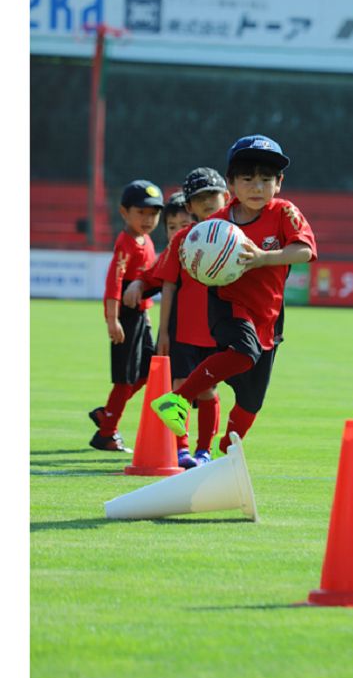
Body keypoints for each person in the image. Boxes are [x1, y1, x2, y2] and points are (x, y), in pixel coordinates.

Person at [150, 135, 317, 454]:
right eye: (247, 179)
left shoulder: (284, 213)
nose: (257, 187)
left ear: (279, 183)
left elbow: (304, 251)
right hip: (228, 304)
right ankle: (177, 400)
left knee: (251, 402)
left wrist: (263, 258)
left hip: (269, 316)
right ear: (231, 184)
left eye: (266, 179)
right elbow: (188, 249)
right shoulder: (216, 224)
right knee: (243, 352)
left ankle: (225, 451)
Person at [132, 168, 232, 468]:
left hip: (217, 329)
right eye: (199, 198)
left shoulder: (234, 236)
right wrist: (163, 332)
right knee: (180, 386)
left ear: (225, 197)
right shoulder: (184, 240)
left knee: (208, 389)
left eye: (212, 195)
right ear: (190, 205)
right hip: (184, 330)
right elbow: (167, 284)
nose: (207, 202)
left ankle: (205, 450)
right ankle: (181, 449)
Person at [87, 179, 163, 452]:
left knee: (148, 371)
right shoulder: (125, 243)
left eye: (153, 213)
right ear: (124, 212)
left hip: (141, 316)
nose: (148, 219)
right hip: (125, 317)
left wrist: (147, 315)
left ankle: (107, 413)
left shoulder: (147, 241)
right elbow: (114, 283)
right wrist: (112, 319)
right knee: (125, 378)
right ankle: (107, 433)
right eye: (141, 212)